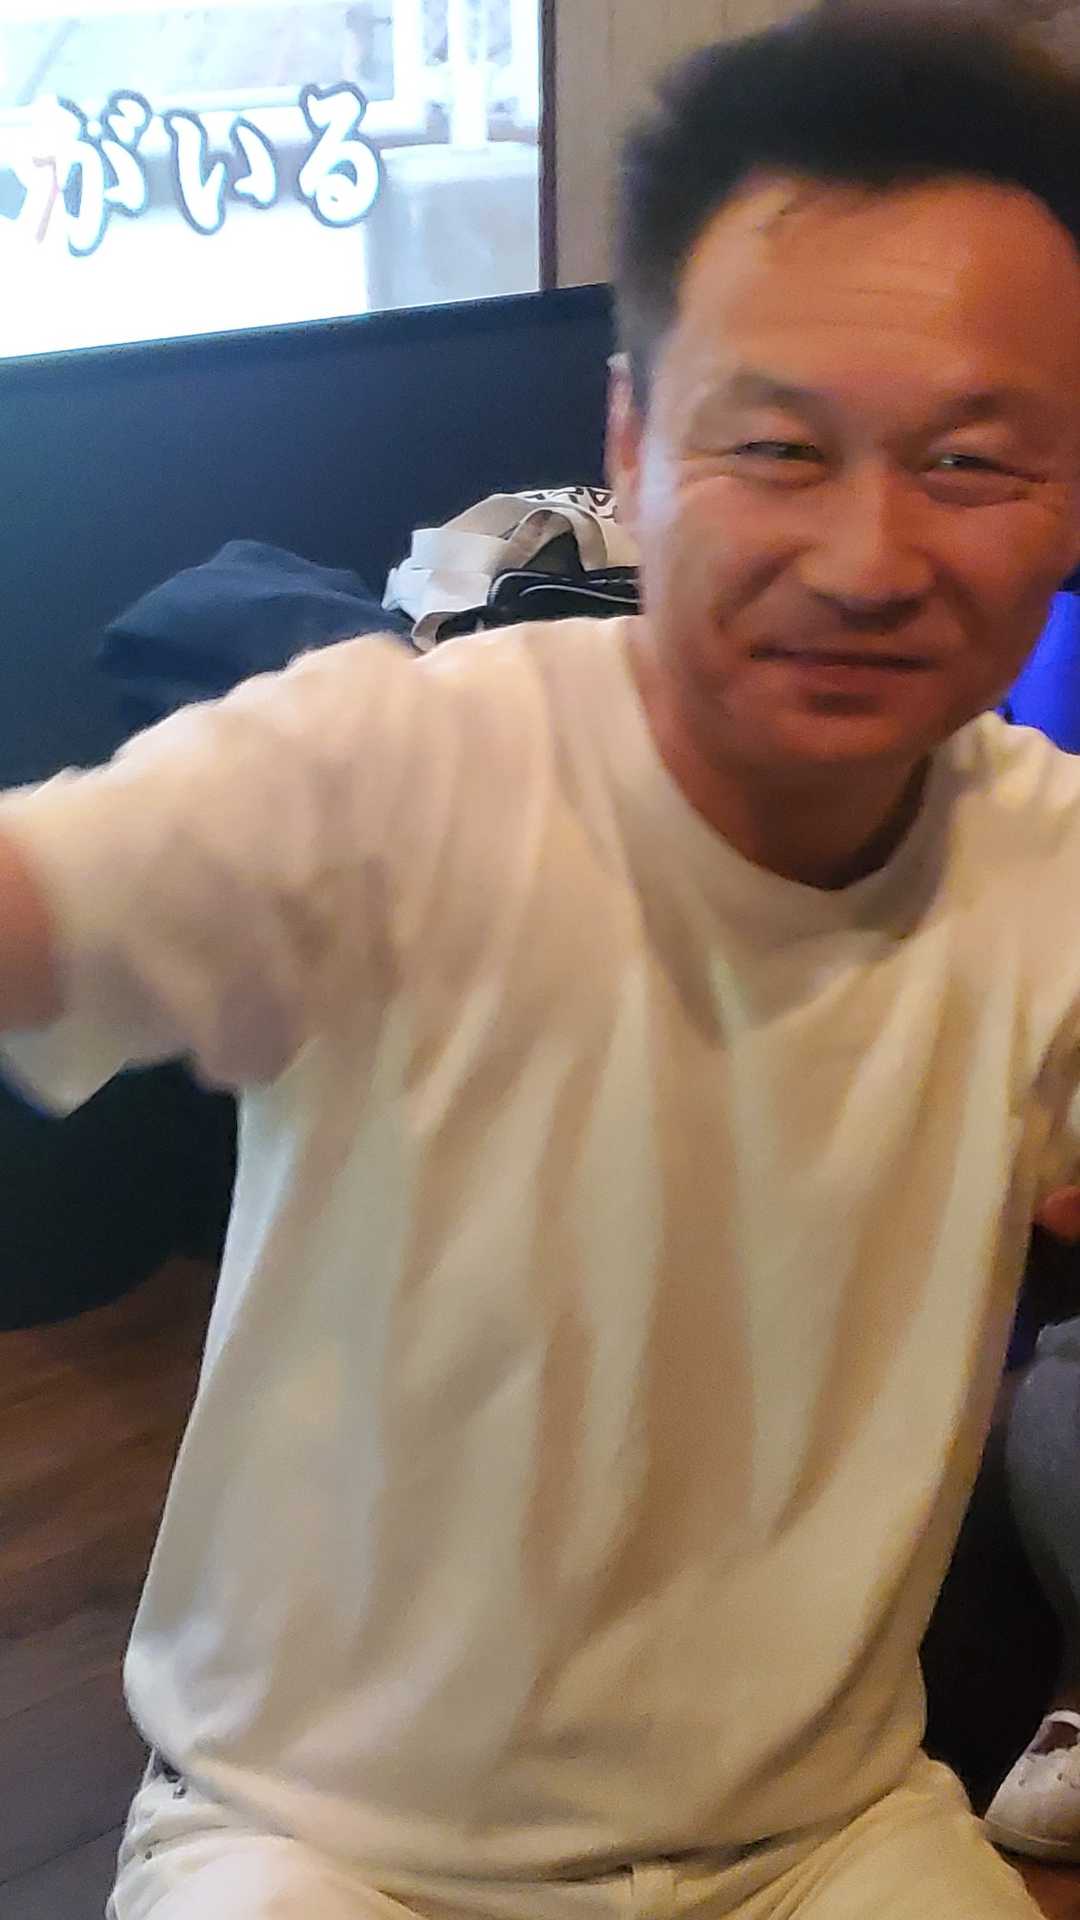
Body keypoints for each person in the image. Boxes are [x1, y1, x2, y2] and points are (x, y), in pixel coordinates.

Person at [4, 7, 1080, 1915]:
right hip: (322, 1832)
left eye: (971, 461)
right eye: (778, 445)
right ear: (631, 441)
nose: (867, 555)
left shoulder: (1043, 865)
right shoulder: (394, 772)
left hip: (818, 1832)